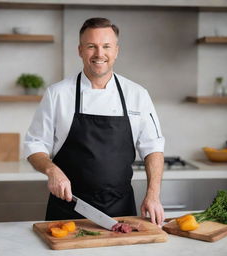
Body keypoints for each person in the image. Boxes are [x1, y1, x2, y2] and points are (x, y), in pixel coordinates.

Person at [24, 17, 165, 226]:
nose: (100, 54)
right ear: (80, 50)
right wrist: (51, 169)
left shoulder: (137, 94)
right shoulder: (58, 94)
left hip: (121, 209)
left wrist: (153, 195)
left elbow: (153, 147)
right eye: (91, 46)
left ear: (116, 50)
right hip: (68, 208)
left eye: (106, 46)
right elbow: (34, 144)